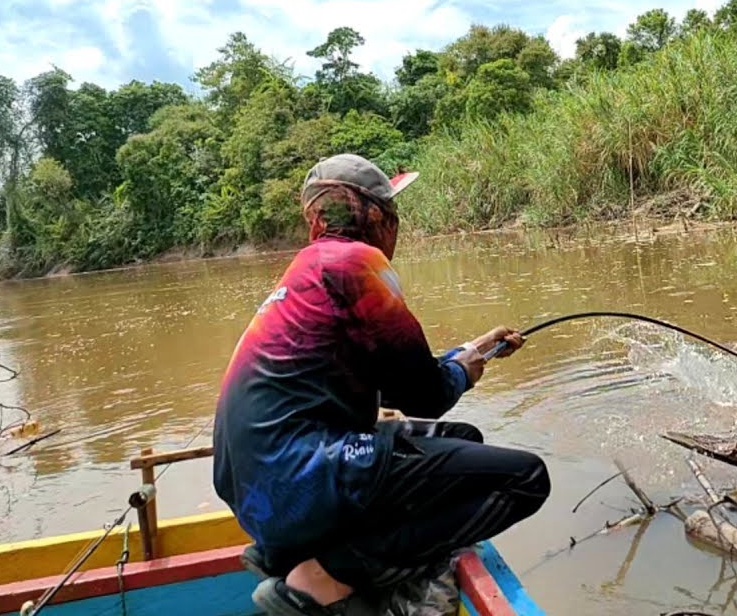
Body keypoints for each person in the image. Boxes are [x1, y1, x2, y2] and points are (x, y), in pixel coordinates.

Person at [212, 154, 550, 616]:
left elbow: (389, 383)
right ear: (374, 215)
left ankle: (287, 554)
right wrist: (461, 371)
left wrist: (470, 351)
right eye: (392, 212)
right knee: (526, 478)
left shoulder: (307, 269)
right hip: (302, 476)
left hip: (259, 489)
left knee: (464, 438)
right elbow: (425, 396)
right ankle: (328, 571)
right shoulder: (356, 261)